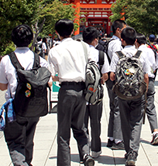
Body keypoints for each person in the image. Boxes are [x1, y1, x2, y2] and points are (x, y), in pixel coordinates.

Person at [0, 25, 50, 166]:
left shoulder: (6, 60)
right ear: (30, 39)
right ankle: (28, 162)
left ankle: (22, 163)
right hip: (35, 106)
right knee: (28, 138)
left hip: (15, 106)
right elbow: (49, 82)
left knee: (15, 140)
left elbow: (2, 86)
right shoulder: (40, 60)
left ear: (13, 39)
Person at [47, 19, 94, 166]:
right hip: (82, 90)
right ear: (73, 31)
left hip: (66, 90)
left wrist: (60, 75)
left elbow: (51, 76)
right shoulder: (84, 47)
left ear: (57, 33)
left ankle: (64, 163)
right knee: (80, 126)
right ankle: (85, 154)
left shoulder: (54, 50)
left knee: (63, 130)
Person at [109, 27, 150, 166]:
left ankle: (128, 150)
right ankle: (133, 152)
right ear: (136, 40)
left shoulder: (117, 54)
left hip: (122, 94)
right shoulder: (141, 54)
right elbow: (146, 76)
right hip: (138, 93)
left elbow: (112, 75)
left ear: (122, 40)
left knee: (125, 122)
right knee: (136, 121)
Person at [82, 27, 112, 158]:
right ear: (95, 40)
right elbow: (105, 75)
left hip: (81, 93)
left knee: (82, 124)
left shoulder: (79, 54)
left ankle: (84, 150)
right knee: (96, 121)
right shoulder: (100, 54)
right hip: (96, 93)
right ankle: (95, 149)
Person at [136, 34, 158, 146]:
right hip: (150, 80)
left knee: (137, 107)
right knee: (150, 106)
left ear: (136, 41)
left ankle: (135, 134)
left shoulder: (136, 53)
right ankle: (155, 132)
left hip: (139, 81)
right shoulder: (151, 51)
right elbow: (155, 66)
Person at [106, 19, 127, 150]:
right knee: (118, 108)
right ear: (118, 30)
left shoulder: (111, 42)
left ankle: (111, 137)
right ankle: (118, 140)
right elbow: (117, 62)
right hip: (116, 79)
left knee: (114, 108)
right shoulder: (117, 45)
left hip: (110, 79)